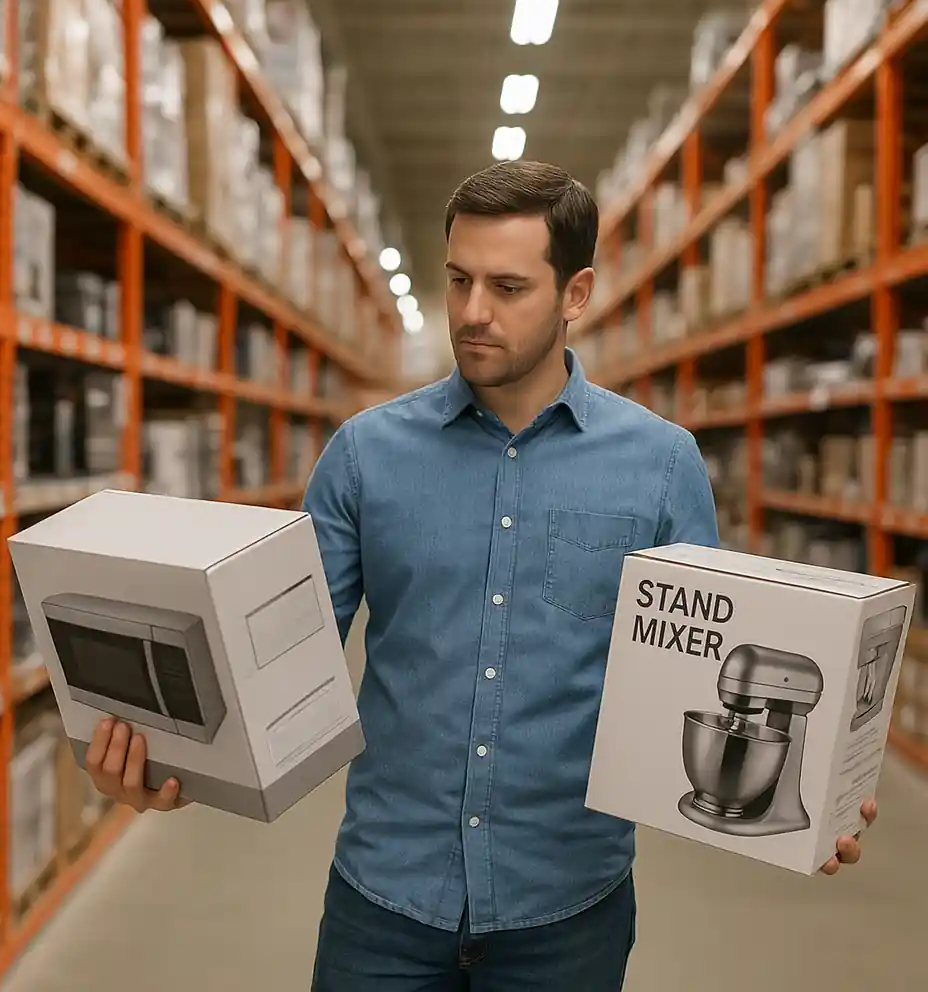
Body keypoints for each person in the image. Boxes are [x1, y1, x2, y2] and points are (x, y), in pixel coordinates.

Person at [84, 160, 877, 990]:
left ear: (576, 295)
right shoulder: (365, 454)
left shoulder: (660, 466)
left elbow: (712, 672)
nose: (470, 313)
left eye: (507, 286)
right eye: (458, 280)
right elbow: (276, 658)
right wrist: (176, 761)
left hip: (567, 905)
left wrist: (812, 806)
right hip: (385, 900)